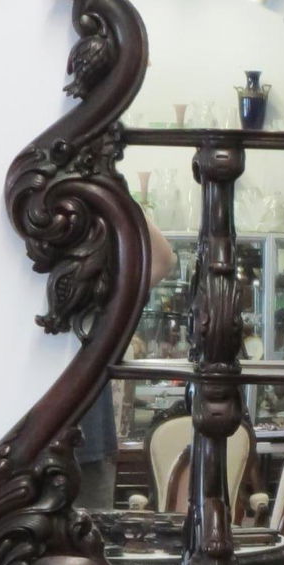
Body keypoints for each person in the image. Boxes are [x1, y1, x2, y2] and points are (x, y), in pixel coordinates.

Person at [76, 216, 180, 507]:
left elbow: (161, 258)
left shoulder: (93, 282)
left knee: (90, 542)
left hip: (89, 438)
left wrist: (106, 185)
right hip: (25, 443)